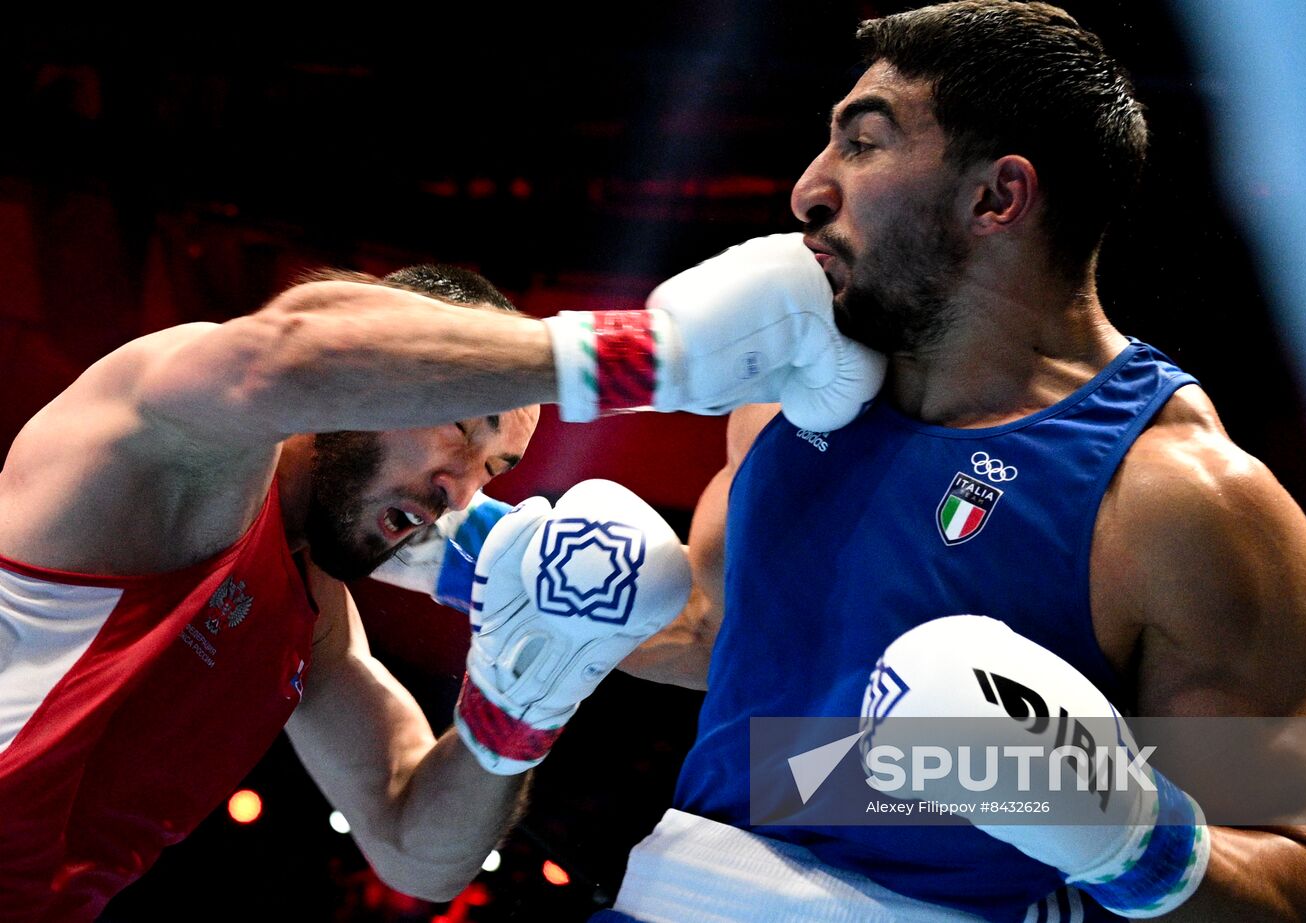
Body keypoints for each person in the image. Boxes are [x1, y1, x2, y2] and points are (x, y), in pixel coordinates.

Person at [611, 2, 1306, 921]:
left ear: (996, 199)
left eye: (864, 144)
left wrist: (1126, 833)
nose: (808, 189)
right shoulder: (790, 398)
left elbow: (1305, 887)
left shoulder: (1181, 501)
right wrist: (459, 557)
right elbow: (728, 634)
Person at [0, 249, 884, 922]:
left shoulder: (310, 619)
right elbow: (292, 348)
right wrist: (659, 356)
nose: (458, 492)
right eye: (465, 431)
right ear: (393, 361)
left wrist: (518, 701)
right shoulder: (169, 444)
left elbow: (418, 853)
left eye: (492, 471)